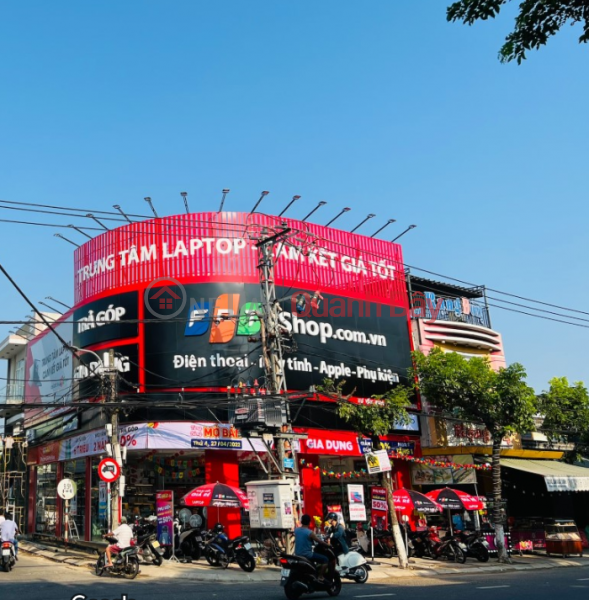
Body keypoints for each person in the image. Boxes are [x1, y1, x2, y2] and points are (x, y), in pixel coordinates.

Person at [294, 514, 329, 582]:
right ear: (309, 522)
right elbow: (319, 541)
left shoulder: (296, 530)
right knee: (325, 560)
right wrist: (328, 545)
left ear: (301, 521)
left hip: (297, 554)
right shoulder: (310, 533)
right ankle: (320, 576)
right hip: (307, 555)